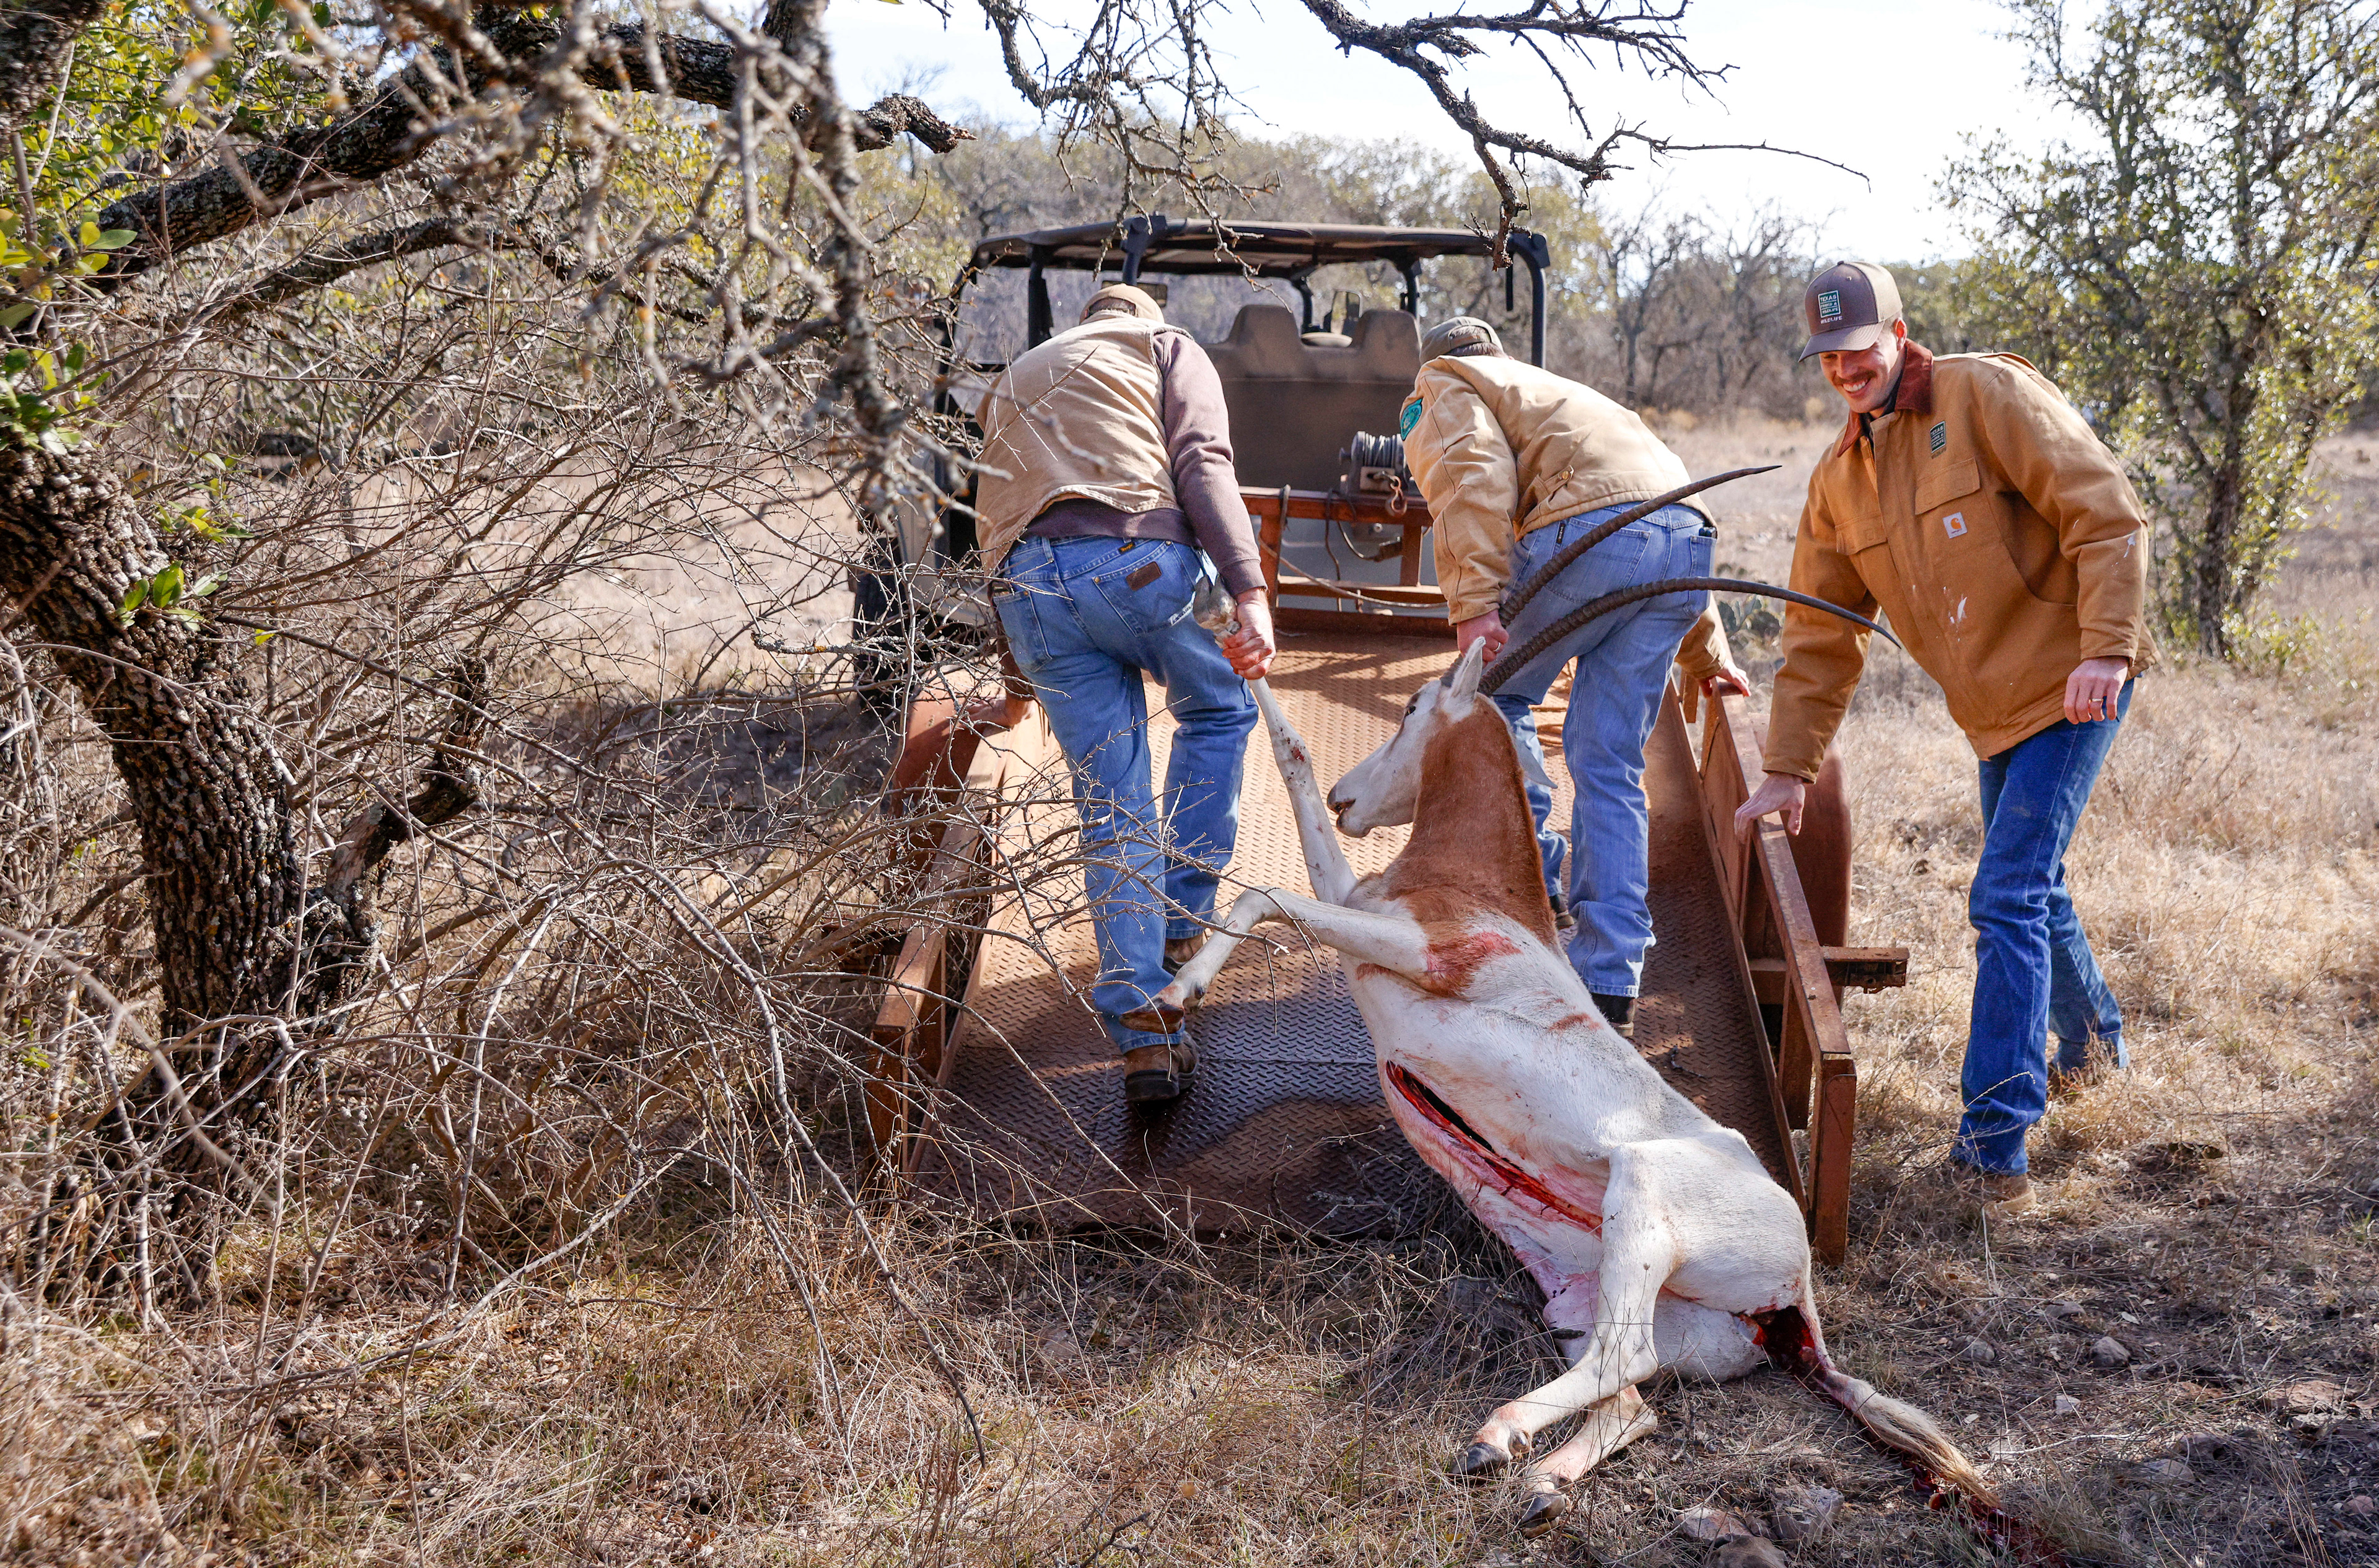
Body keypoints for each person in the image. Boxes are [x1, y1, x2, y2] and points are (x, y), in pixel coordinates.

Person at [1735, 261, 2154, 1213]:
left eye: (1860, 347)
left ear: (1898, 332)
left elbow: (2108, 512)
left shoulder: (1983, 393)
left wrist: (2107, 651)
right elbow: (1817, 636)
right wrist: (1789, 769)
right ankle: (2098, 1044)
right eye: (1828, 355)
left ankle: (1994, 1141)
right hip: (1995, 709)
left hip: (2074, 684)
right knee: (2031, 888)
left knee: (2004, 892)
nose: (1845, 367)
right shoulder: (1839, 480)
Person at [1400, 317, 1751, 1038]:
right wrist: (1709, 658)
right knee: (1609, 763)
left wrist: (1473, 610)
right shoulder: (1564, 393)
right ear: (1500, 354)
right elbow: (1661, 513)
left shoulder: (1447, 383)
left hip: (1592, 540)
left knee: (1490, 701)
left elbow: (1471, 475)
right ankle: (1610, 980)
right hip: (1687, 545)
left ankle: (1538, 871)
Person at [973, 283, 1276, 1106]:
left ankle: (1144, 1032)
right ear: (1141, 316)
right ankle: (1184, 924)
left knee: (1112, 801)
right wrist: (1248, 591)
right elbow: (1203, 465)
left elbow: (990, 518)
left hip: (1027, 589)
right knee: (1217, 708)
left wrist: (1019, 674)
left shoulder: (1015, 378)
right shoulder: (1166, 345)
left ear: (1084, 325)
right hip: (1145, 560)